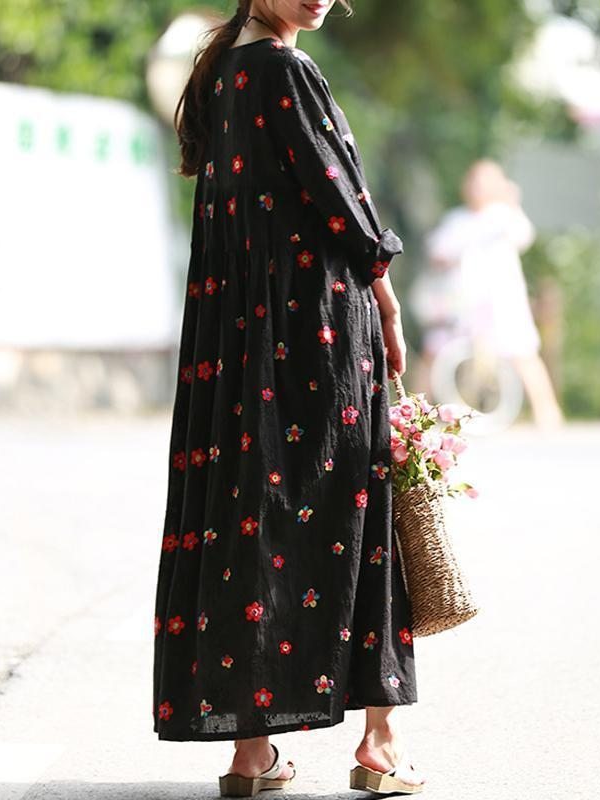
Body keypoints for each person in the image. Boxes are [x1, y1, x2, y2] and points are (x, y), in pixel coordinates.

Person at [152, 2, 425, 796]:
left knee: (249, 513)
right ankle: (380, 741)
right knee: (356, 513)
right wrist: (387, 294)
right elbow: (337, 198)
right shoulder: (284, 69)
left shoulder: (221, 76)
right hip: (313, 327)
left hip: (236, 338)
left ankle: (249, 752)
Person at [419, 159, 564, 430]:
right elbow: (438, 252)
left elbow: (523, 235)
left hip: (501, 303)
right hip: (461, 304)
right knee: (436, 352)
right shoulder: (457, 219)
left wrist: (512, 203)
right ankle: (416, 412)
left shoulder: (505, 216)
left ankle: (547, 412)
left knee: (523, 354)